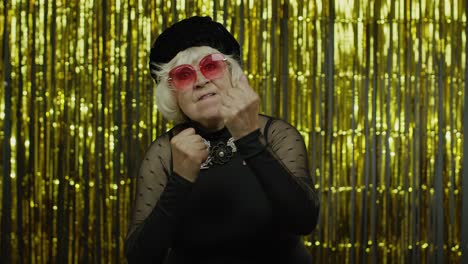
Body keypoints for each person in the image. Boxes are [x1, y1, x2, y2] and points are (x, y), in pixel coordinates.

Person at [124, 16, 320, 264]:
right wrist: (180, 179)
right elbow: (140, 258)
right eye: (184, 75)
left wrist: (249, 138)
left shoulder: (276, 134)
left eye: (211, 66)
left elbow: (303, 221)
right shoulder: (163, 153)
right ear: (172, 95)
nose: (202, 81)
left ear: (232, 74)